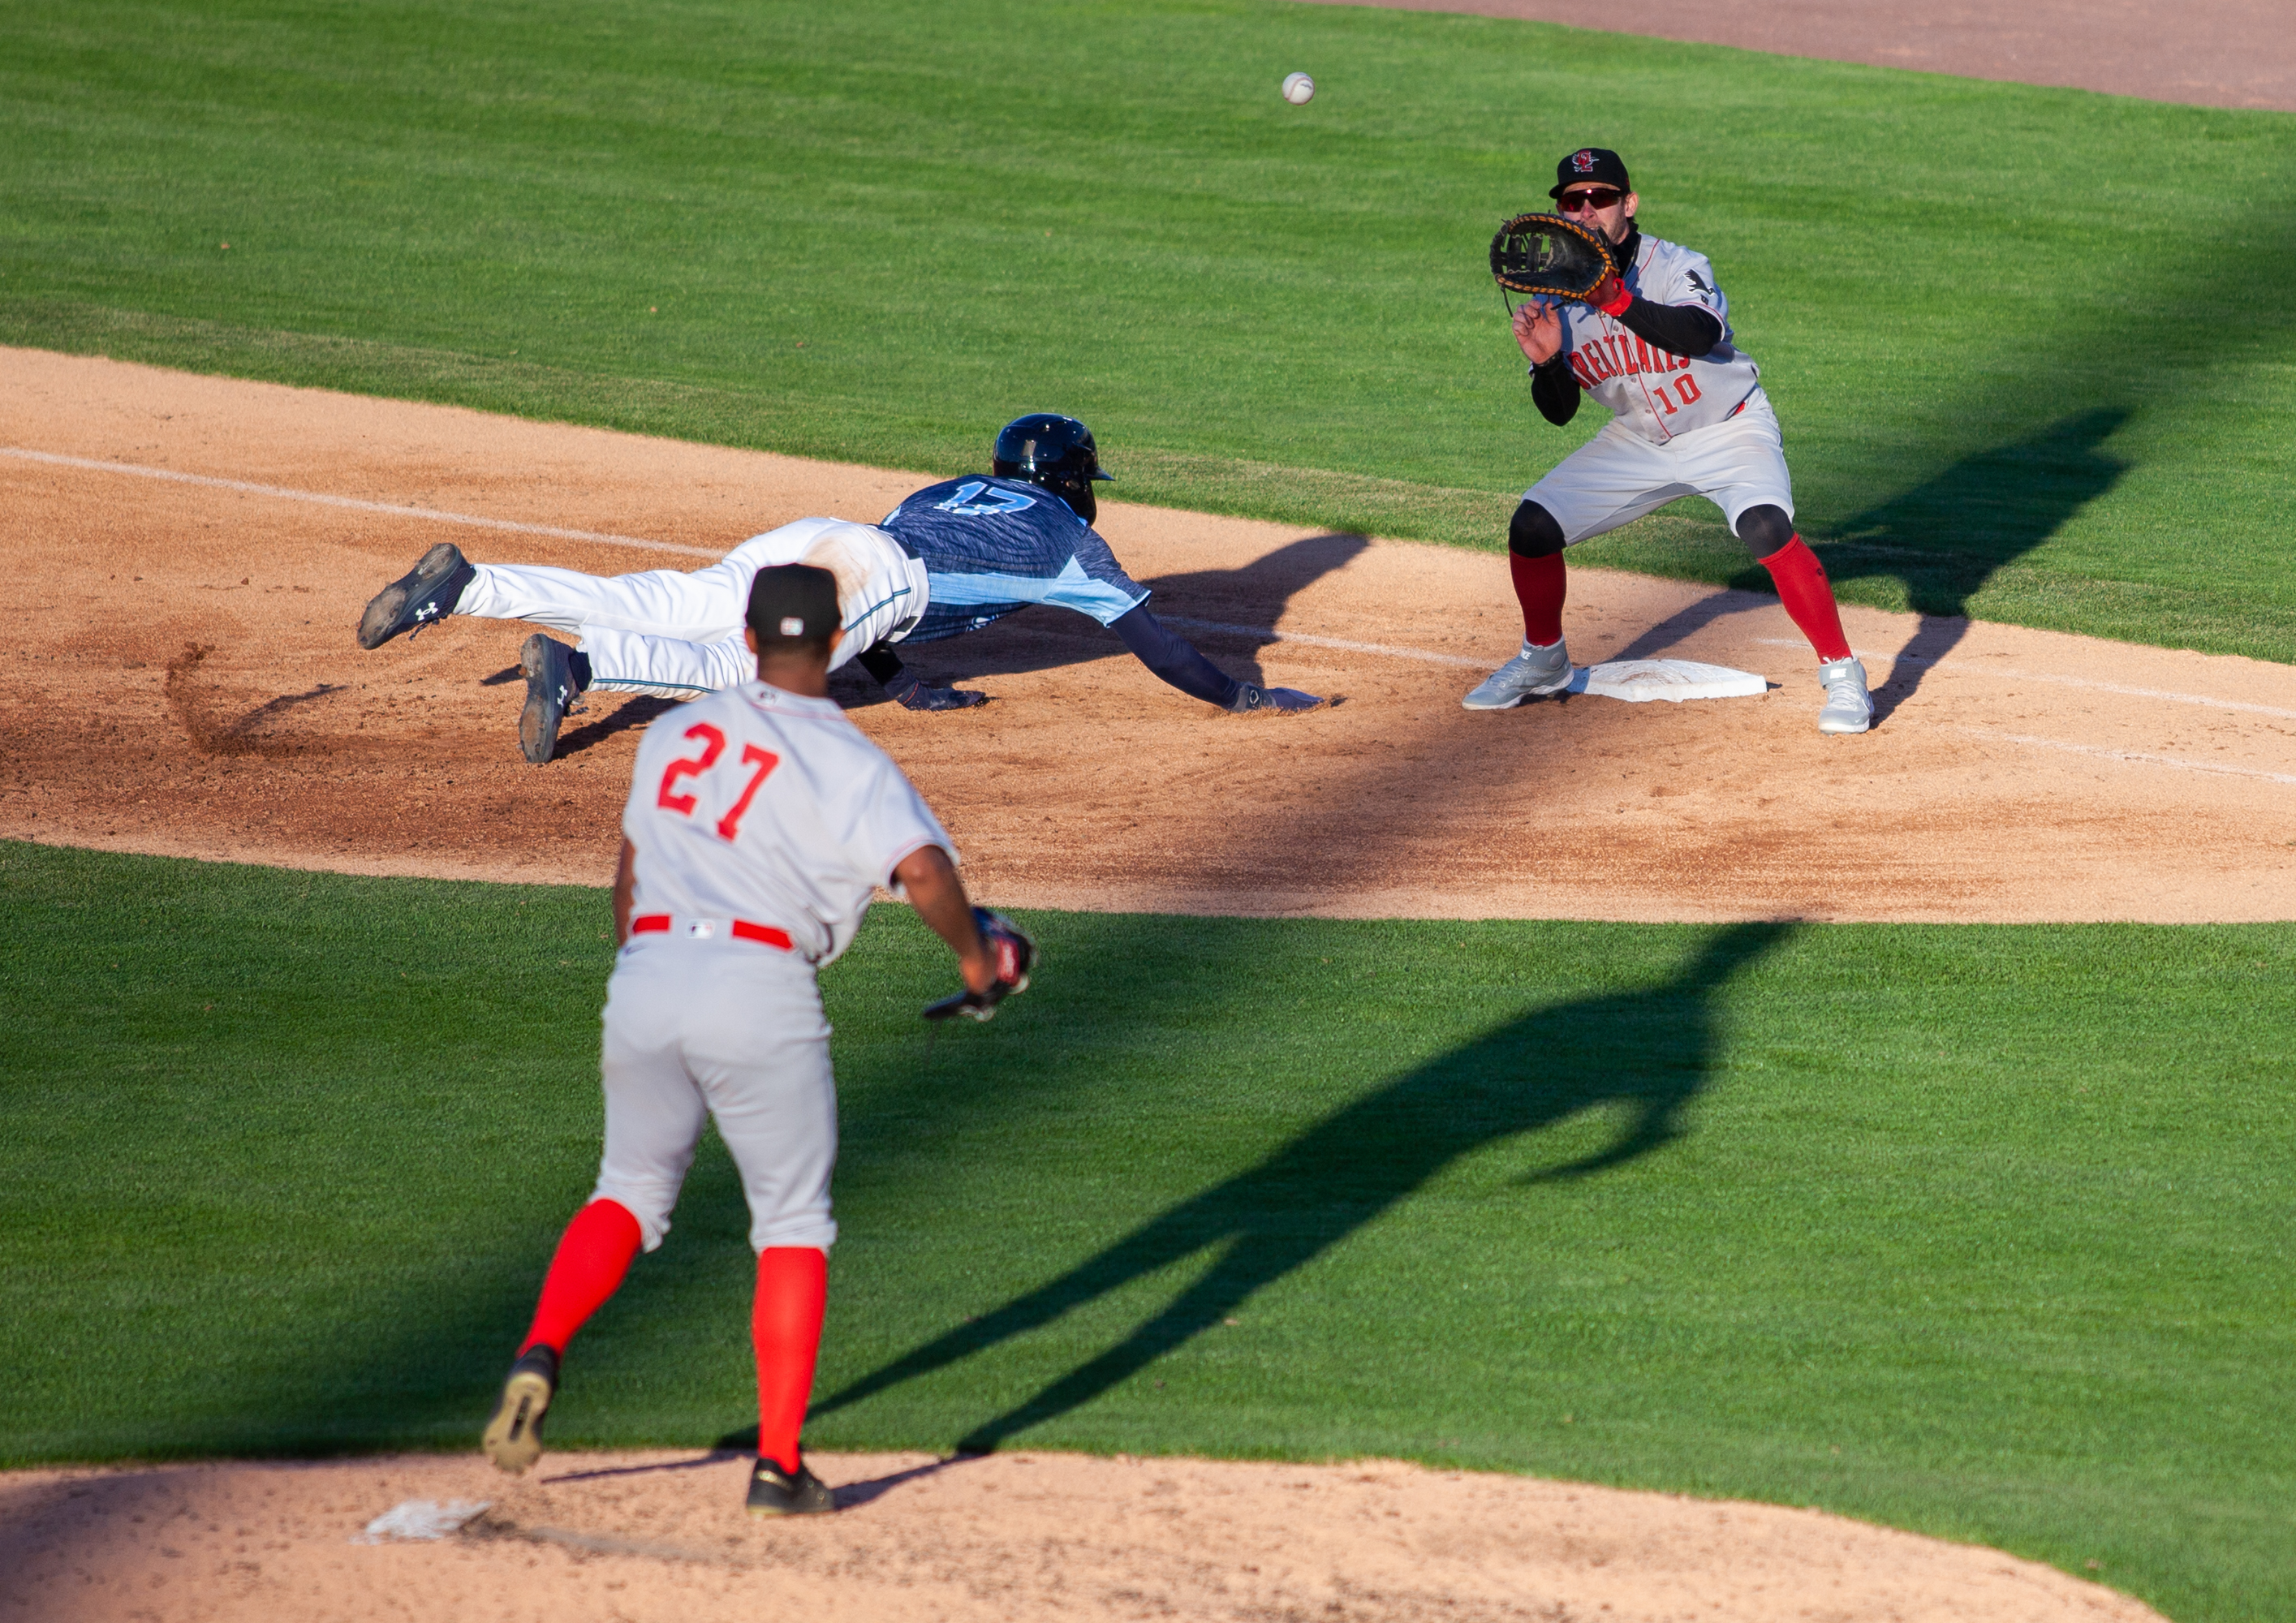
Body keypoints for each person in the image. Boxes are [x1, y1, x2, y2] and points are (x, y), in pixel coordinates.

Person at [477, 562, 1027, 1517]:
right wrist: (982, 962)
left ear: (749, 633)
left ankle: (540, 1352)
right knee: (790, 1224)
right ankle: (778, 1464)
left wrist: (644, 979)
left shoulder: (680, 731)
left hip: (648, 971)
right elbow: (926, 872)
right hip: (760, 990)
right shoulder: (845, 755)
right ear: (832, 641)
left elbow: (630, 872)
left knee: (629, 1190)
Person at [356, 414, 1321, 763]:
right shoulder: (1074, 543)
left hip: (823, 533)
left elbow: (880, 587)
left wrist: (896, 680)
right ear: (1072, 480)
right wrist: (1243, 692)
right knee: (745, 676)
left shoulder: (947, 488)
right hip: (872, 572)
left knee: (669, 598)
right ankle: (578, 666)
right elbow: (1161, 646)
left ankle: (470, 586)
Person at [1467, 148, 1873, 734]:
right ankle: (1544, 659)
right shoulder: (1555, 297)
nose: (1586, 210)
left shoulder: (1674, 265)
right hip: (1638, 441)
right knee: (1532, 527)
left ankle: (1843, 673)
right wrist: (1551, 363)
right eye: (1573, 201)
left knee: (1765, 525)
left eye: (1601, 198)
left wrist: (1616, 301)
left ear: (1627, 204)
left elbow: (1700, 333)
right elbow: (1558, 414)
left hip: (1728, 426)